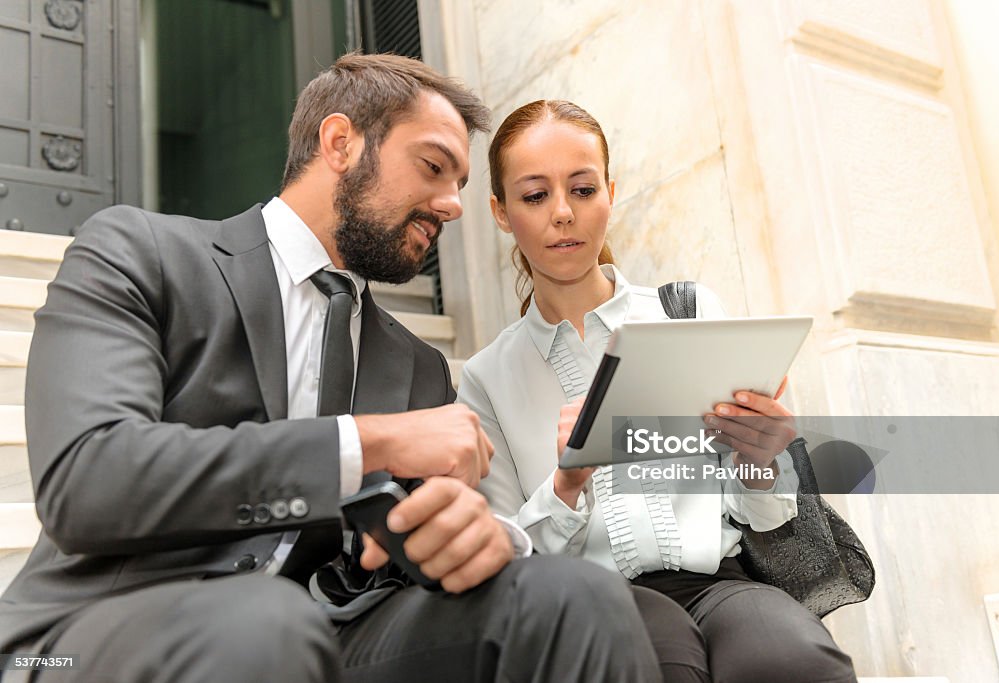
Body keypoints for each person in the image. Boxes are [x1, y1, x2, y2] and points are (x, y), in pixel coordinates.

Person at [0, 59, 664, 683]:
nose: (452, 204)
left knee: (578, 597)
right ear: (340, 142)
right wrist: (369, 441)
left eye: (460, 184)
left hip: (332, 633)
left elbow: (387, 566)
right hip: (92, 635)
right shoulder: (139, 253)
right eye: (433, 166)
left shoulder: (419, 368)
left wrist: (450, 539)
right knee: (267, 628)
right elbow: (87, 480)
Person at [459, 99, 858, 683]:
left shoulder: (689, 313)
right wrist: (568, 481)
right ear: (500, 212)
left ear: (611, 194)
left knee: (796, 660)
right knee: (663, 666)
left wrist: (758, 458)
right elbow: (505, 553)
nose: (563, 213)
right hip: (590, 602)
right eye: (535, 195)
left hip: (722, 583)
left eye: (583, 189)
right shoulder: (487, 376)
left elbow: (762, 517)